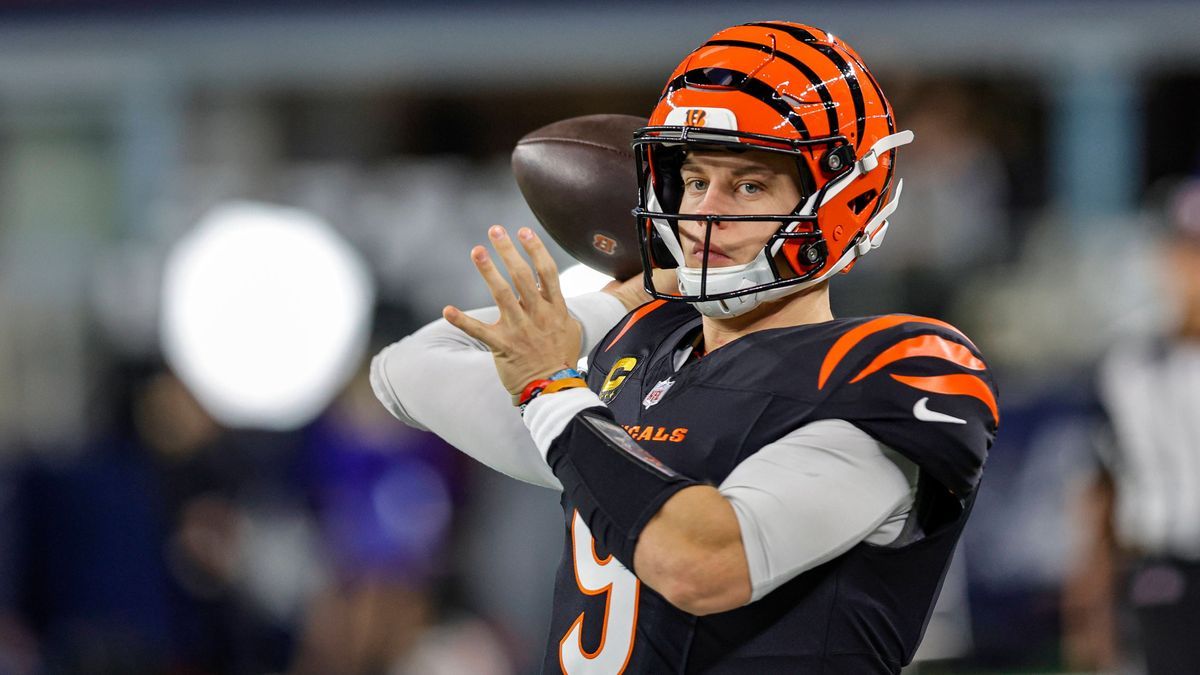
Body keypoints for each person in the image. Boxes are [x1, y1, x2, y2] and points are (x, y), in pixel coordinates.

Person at [371, 21, 998, 673]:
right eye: (694, 181)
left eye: (748, 185)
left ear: (842, 198)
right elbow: (406, 371)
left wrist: (552, 389)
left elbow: (702, 563)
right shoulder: (632, 358)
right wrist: (628, 296)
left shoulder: (885, 369)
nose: (704, 212)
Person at [1063, 178, 1200, 675]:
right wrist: (1088, 602)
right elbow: (1101, 487)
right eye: (1186, 252)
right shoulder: (1130, 368)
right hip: (1162, 570)